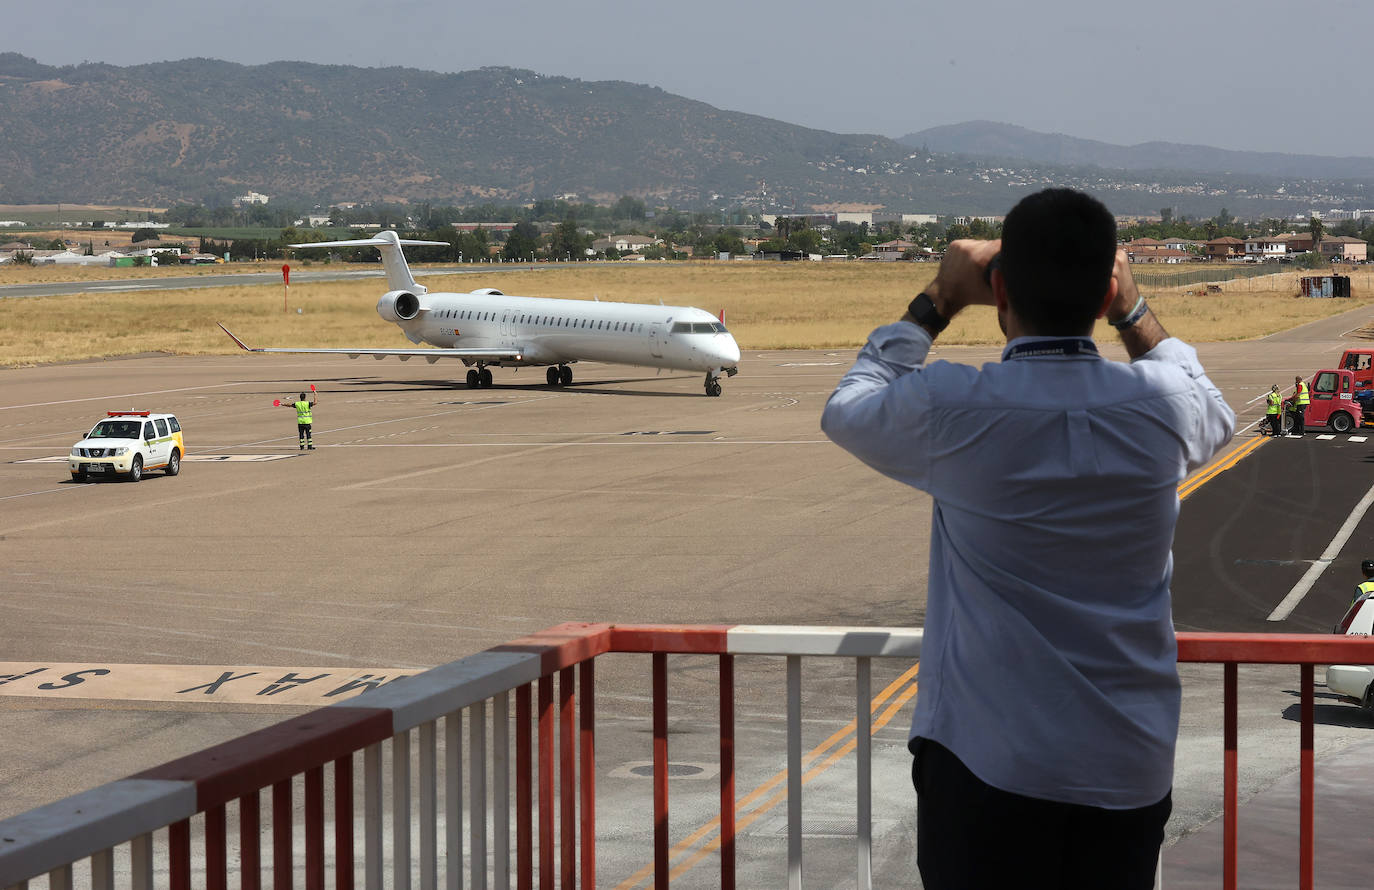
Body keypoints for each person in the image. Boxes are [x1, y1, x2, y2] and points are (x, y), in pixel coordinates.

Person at [821, 188, 1234, 890]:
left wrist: (938, 301)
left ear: (1000, 288)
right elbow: (1211, 405)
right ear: (1106, 292)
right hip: (1126, 768)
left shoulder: (956, 405)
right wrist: (1133, 309)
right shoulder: (1163, 408)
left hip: (988, 768)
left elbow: (849, 408)